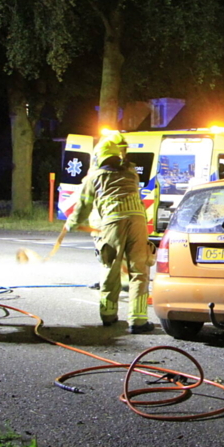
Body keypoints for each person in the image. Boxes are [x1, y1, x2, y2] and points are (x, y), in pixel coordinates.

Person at [65, 133, 155, 333]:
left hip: (113, 222)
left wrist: (72, 223)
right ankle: (138, 321)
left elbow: (83, 206)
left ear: (99, 157)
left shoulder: (94, 177)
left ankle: (108, 315)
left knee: (110, 267)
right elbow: (126, 160)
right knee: (139, 271)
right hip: (138, 221)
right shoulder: (131, 173)